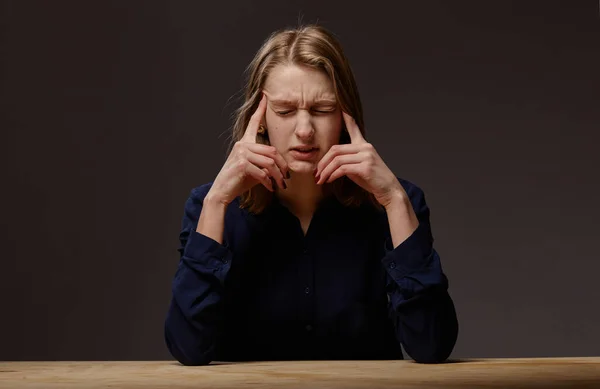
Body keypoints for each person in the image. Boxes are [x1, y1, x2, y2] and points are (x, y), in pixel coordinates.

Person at [164, 24, 458, 366]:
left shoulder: (396, 204)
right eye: (286, 111)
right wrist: (216, 203)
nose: (304, 131)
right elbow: (187, 347)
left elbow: (431, 344)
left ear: (346, 115)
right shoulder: (209, 206)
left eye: (322, 110)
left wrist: (393, 198)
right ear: (259, 119)